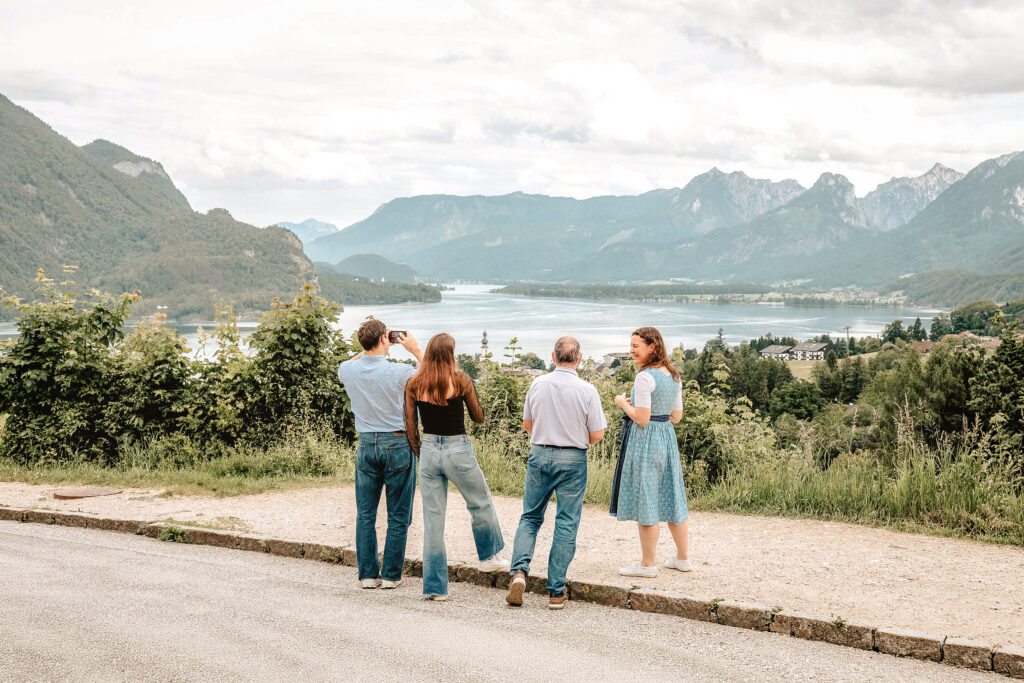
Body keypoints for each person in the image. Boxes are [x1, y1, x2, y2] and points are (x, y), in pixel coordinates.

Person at [404, 333, 508, 601]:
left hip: (428, 450)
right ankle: (487, 556)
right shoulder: (460, 380)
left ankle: (435, 588)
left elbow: (410, 427)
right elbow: (478, 417)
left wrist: (421, 451)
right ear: (451, 353)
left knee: (433, 521)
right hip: (457, 449)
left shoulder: (414, 383)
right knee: (480, 502)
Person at [506, 336, 606, 610]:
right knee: (566, 521)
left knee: (530, 517)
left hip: (539, 453)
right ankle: (556, 591)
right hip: (573, 458)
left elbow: (528, 423)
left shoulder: (538, 384)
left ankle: (518, 573)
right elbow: (597, 433)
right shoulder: (587, 390)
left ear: (553, 357)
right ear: (579, 359)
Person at [337, 319, 423, 589]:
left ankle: (368, 575)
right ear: (385, 340)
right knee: (398, 515)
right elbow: (432, 374)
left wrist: (372, 346)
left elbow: (357, 358)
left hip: (366, 444)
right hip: (397, 443)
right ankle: (390, 575)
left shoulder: (346, 370)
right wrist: (416, 349)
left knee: (366, 514)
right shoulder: (401, 372)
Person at [609, 326, 690, 578]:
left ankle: (647, 564)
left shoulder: (644, 377)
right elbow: (676, 416)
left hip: (646, 441)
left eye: (636, 346)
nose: (631, 350)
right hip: (666, 437)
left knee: (647, 499)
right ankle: (682, 558)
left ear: (652, 347)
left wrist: (623, 403)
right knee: (671, 495)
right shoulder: (674, 376)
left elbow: (642, 419)